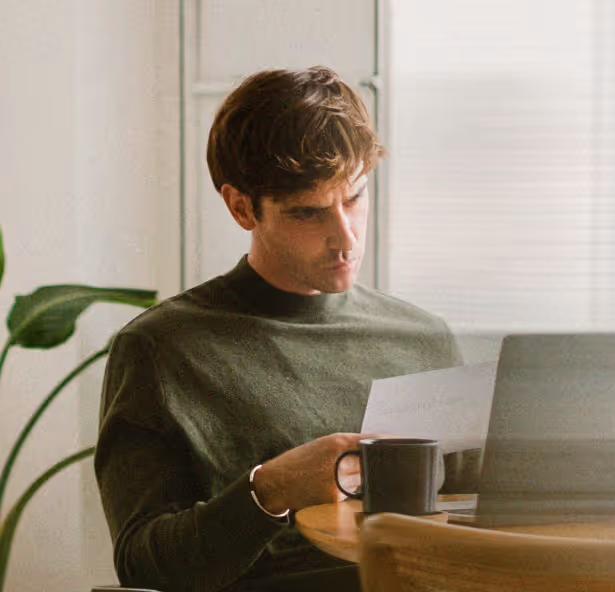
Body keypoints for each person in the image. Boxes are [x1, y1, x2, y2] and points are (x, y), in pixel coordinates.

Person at [94, 66, 462, 592]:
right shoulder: (160, 350)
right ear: (242, 207)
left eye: (354, 198)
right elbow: (143, 565)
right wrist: (270, 491)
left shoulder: (424, 339)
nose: (346, 239)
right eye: (309, 214)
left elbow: (485, 524)